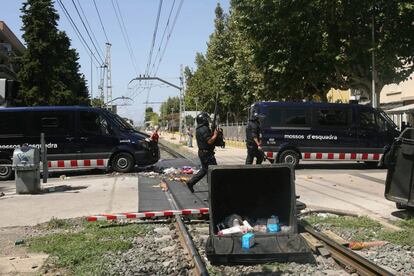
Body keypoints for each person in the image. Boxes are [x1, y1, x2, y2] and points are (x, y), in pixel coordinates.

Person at [186, 112, 218, 193]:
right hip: (206, 154)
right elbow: (210, 141)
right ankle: (213, 188)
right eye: (206, 118)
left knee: (205, 170)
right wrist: (215, 134)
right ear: (203, 120)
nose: (208, 120)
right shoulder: (204, 129)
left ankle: (191, 182)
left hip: (203, 152)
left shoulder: (200, 128)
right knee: (214, 170)